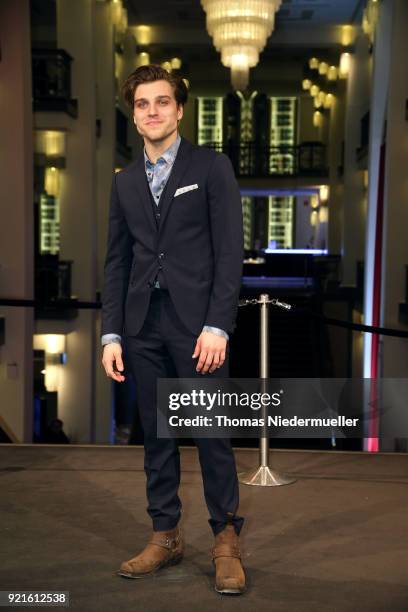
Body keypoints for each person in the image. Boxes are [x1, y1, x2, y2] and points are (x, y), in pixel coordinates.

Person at [101, 64, 245, 595]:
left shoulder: (211, 167)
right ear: (134, 115)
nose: (153, 111)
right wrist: (110, 334)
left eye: (163, 102)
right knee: (155, 437)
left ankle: (225, 538)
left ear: (180, 110)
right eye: (143, 104)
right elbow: (116, 262)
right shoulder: (123, 183)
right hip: (142, 326)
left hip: (197, 327)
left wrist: (217, 325)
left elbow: (231, 253)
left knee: (211, 435)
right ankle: (164, 534)